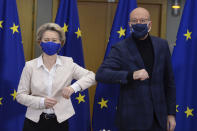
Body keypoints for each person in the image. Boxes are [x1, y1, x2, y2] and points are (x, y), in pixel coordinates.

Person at [96, 7, 176, 131]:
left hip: (159, 118)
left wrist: (171, 114)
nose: (139, 23)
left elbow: (169, 81)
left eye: (143, 20)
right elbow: (101, 74)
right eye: (135, 20)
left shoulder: (162, 45)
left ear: (150, 24)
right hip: (131, 119)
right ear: (130, 24)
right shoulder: (120, 48)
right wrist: (130, 75)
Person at [16, 23, 96, 131]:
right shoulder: (30, 66)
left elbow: (92, 76)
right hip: (34, 122)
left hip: (60, 122)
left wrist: (73, 88)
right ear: (40, 43)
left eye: (54, 40)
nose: (50, 43)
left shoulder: (69, 64)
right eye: (46, 40)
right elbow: (20, 96)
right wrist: (41, 102)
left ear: (61, 43)